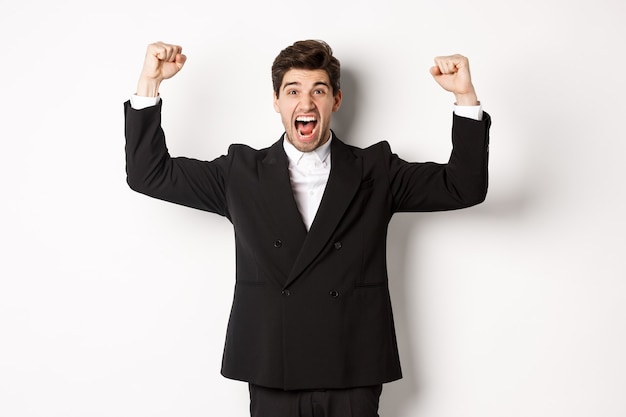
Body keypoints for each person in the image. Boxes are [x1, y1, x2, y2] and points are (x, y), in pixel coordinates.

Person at [124, 40, 491, 417]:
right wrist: (150, 83)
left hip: (352, 366)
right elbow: (149, 174)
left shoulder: (375, 170)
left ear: (336, 100)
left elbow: (462, 186)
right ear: (277, 101)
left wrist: (465, 96)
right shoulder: (240, 173)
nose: (306, 103)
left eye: (318, 90)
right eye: (293, 91)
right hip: (274, 366)